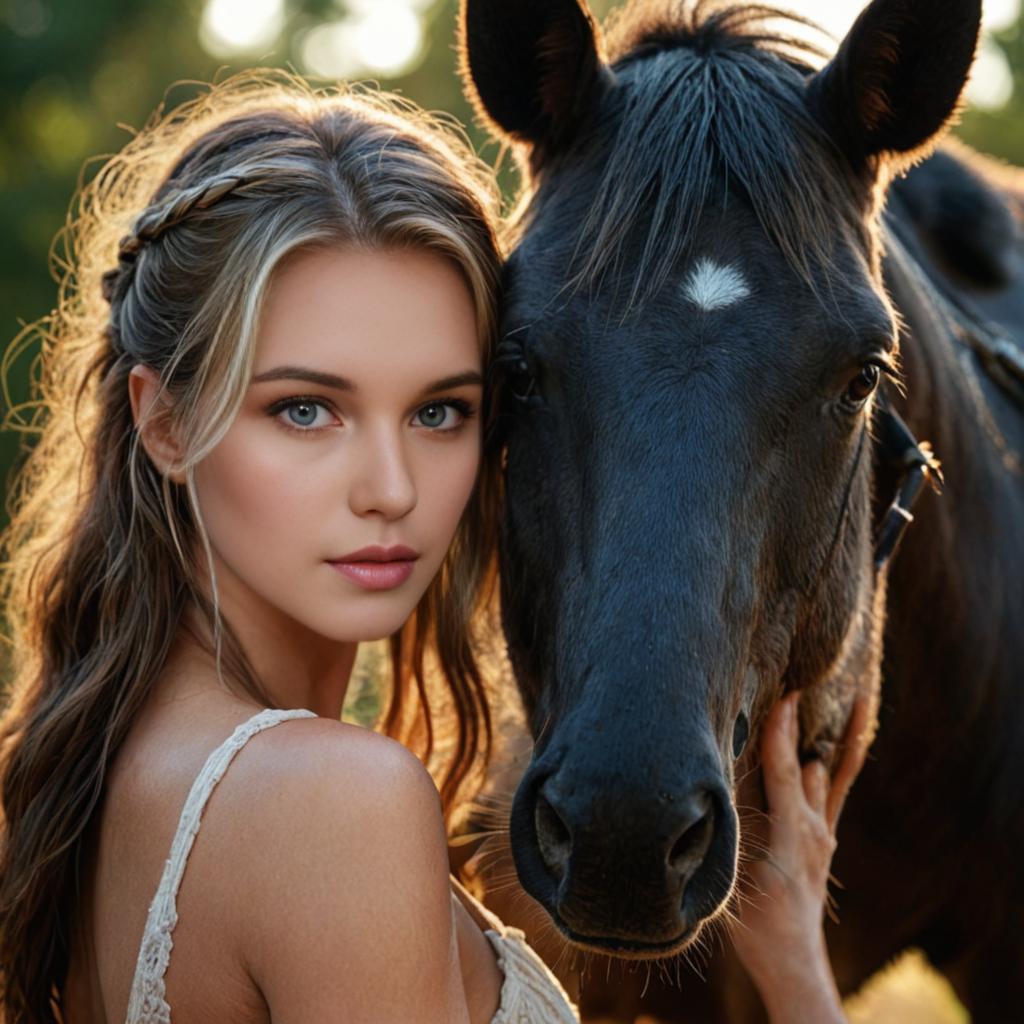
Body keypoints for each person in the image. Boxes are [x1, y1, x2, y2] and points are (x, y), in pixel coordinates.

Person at [0, 70, 867, 1023]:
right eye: (305, 409)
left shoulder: (102, 775)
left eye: (440, 411)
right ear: (165, 423)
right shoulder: (334, 810)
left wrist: (784, 961)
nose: (393, 489)